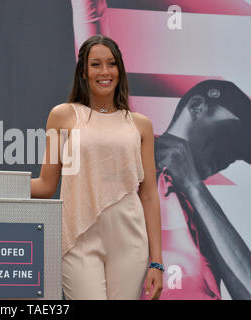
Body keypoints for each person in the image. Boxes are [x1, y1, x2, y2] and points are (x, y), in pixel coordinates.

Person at [31, 35, 163, 300]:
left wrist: (157, 261)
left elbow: (148, 193)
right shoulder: (62, 116)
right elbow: (46, 186)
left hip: (130, 240)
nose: (105, 72)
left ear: (120, 70)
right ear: (83, 71)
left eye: (111, 64)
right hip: (78, 238)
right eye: (96, 64)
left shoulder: (141, 125)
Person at [155, 80, 251, 299]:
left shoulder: (203, 213)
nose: (228, 158)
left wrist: (194, 187)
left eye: (237, 153)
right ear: (197, 107)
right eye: (231, 136)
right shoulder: (127, 161)